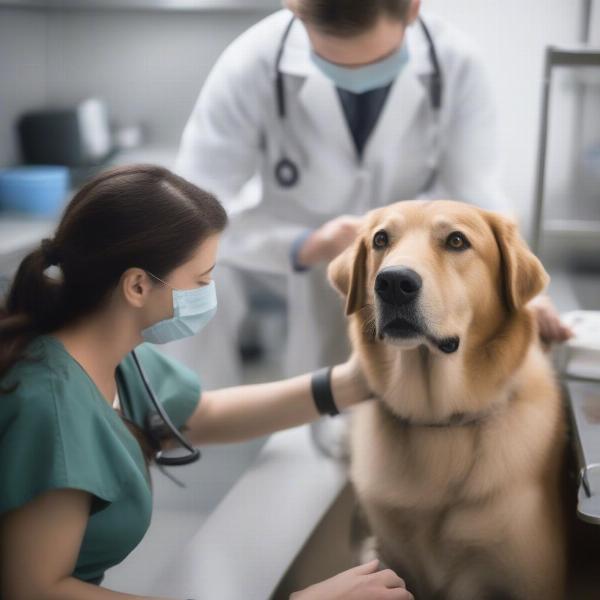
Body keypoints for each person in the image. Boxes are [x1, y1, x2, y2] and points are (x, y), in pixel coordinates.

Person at [0, 165, 413, 600]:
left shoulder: (112, 356)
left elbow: (200, 414)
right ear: (138, 285)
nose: (210, 290)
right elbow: (36, 590)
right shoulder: (51, 406)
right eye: (202, 279)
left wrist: (349, 384)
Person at [174, 0, 571, 390]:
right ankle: (193, 422)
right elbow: (191, 210)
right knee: (187, 274)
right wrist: (303, 246)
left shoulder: (456, 63)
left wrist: (517, 289)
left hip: (411, 265)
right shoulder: (250, 63)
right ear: (295, 13)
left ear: (413, 8)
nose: (354, 74)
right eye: (330, 60)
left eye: (376, 61)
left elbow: (476, 191)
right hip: (283, 262)